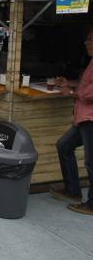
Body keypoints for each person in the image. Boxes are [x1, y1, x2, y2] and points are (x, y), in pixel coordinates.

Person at [50, 28, 93, 215]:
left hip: (91, 118)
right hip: (83, 117)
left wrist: (72, 93)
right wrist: (68, 83)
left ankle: (91, 204)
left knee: (91, 162)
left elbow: (89, 93)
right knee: (64, 146)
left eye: (90, 39)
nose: (86, 42)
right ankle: (73, 191)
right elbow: (85, 83)